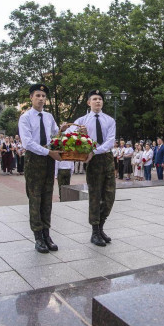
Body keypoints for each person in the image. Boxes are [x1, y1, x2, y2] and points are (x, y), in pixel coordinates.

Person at [18, 83, 66, 254]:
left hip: (48, 159)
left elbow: (55, 135)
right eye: (37, 95)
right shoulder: (25, 118)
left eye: (43, 96)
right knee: (35, 198)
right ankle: (38, 236)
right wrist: (49, 152)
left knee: (47, 198)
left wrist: (63, 131)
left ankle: (47, 234)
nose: (41, 99)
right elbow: (27, 143)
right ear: (31, 98)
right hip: (35, 160)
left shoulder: (49, 116)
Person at [70, 89, 116, 247]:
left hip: (106, 158)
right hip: (92, 160)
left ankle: (101, 226)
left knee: (109, 196)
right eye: (94, 99)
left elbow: (110, 141)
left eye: (100, 99)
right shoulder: (82, 120)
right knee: (95, 196)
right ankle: (95, 231)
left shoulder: (109, 120)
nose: (98, 101)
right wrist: (78, 132)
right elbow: (69, 136)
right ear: (88, 102)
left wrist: (94, 151)